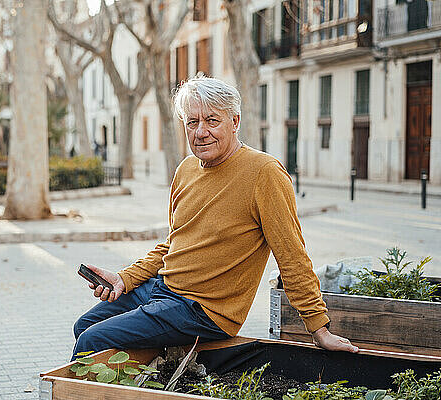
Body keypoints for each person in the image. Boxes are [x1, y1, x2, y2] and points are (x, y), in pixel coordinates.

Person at [71, 76, 358, 360]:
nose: (201, 131)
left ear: (235, 122)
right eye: (192, 122)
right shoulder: (186, 169)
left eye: (212, 120)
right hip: (163, 290)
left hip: (203, 310)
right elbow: (174, 243)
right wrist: (124, 278)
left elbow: (292, 255)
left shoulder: (264, 173)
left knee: (93, 339)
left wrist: (319, 328)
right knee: (83, 326)